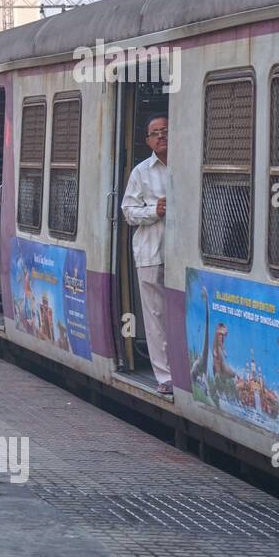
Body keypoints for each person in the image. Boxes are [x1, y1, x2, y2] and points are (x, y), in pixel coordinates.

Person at [121, 115, 173, 395]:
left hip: (182, 254)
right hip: (151, 252)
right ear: (148, 141)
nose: (161, 136)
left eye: (165, 130)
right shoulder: (141, 172)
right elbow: (128, 212)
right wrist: (155, 211)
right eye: (155, 133)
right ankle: (165, 377)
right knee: (156, 317)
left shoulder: (186, 165)